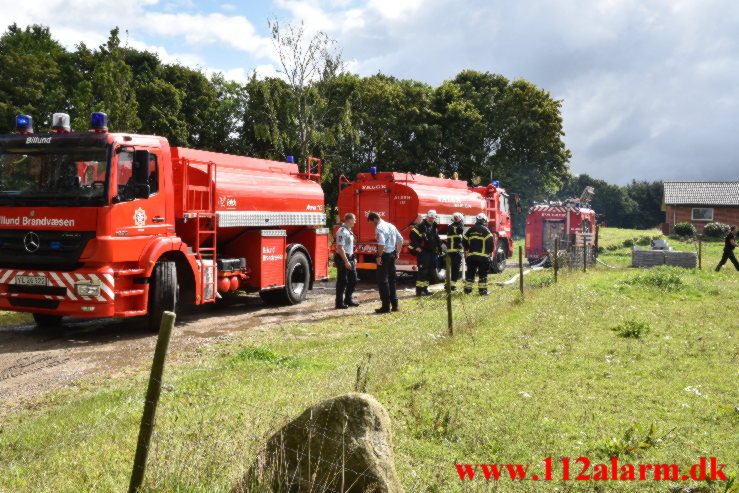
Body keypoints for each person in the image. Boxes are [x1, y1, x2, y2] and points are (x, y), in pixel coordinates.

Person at [367, 212, 403, 313]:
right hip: (392, 255)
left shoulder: (379, 227)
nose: (372, 225)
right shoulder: (390, 225)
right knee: (392, 280)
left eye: (371, 223)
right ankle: (395, 305)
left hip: (384, 256)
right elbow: (400, 239)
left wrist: (379, 256)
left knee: (383, 282)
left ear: (374, 219)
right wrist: (397, 252)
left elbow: (381, 244)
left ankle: (385, 307)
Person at [409, 210, 443, 296]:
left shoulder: (434, 226)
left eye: (433, 218)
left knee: (428, 272)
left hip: (431, 253)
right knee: (422, 272)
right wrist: (417, 246)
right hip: (423, 253)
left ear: (435, 218)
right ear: (427, 217)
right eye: (430, 217)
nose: (431, 219)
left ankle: (425, 289)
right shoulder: (421, 226)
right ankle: (419, 291)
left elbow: (436, 238)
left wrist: (439, 249)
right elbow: (412, 235)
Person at [463, 213, 494, 296]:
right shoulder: (486, 230)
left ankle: (467, 290)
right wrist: (489, 252)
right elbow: (490, 243)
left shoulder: (471, 229)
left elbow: (464, 240)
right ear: (484, 221)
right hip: (483, 258)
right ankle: (483, 291)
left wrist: (466, 249)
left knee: (470, 274)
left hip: (471, 257)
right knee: (483, 275)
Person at [334, 213, 359, 309]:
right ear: (348, 220)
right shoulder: (342, 231)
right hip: (342, 258)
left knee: (353, 280)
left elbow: (350, 246)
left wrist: (353, 258)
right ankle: (339, 303)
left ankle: (348, 299)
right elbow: (340, 248)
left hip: (350, 257)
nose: (355, 221)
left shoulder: (349, 231)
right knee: (342, 281)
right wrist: (346, 261)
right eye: (354, 219)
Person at [447, 212, 465, 291]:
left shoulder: (450, 226)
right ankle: (452, 286)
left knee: (451, 269)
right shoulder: (457, 227)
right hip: (456, 251)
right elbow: (460, 230)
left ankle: (449, 285)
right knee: (455, 269)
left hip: (451, 251)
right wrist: (461, 222)